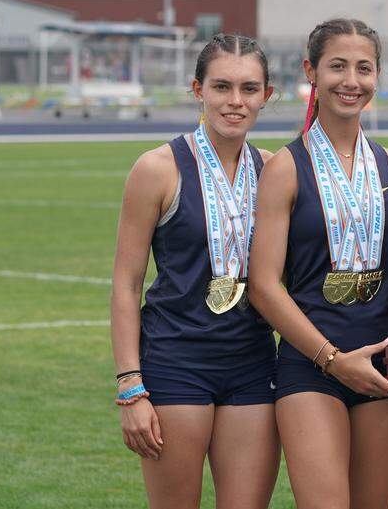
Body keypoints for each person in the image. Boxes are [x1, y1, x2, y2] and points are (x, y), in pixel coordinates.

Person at [248, 18, 388, 509]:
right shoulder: (284, 168)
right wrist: (331, 358)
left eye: (363, 69)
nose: (351, 81)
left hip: (386, 368)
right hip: (311, 366)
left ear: (377, 76)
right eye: (337, 66)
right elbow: (263, 286)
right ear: (311, 71)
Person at [110, 34, 279, 509]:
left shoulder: (274, 170)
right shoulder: (157, 169)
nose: (235, 101)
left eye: (249, 89)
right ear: (197, 89)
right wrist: (130, 385)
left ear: (267, 96)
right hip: (176, 363)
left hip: (253, 364)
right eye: (222, 86)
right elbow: (126, 285)